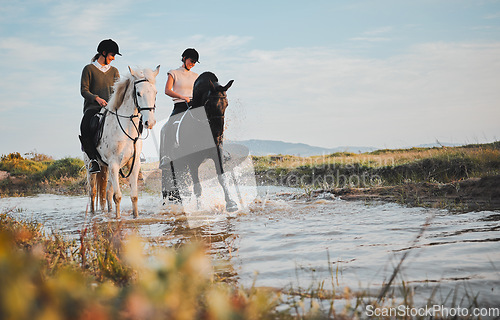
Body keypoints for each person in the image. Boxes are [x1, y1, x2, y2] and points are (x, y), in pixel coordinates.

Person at [79, 39, 121, 173]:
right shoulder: (89, 69)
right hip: (93, 108)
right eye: (112, 55)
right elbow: (84, 90)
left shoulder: (115, 71)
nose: (113, 58)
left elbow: (118, 91)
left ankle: (131, 156)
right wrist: (96, 98)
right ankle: (93, 161)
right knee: (84, 128)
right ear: (103, 53)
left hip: (110, 109)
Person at [164, 48, 200, 116]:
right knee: (169, 125)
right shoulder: (173, 73)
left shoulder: (196, 76)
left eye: (194, 62)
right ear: (184, 58)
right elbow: (167, 90)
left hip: (194, 107)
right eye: (191, 61)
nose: (193, 64)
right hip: (179, 107)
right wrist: (182, 97)